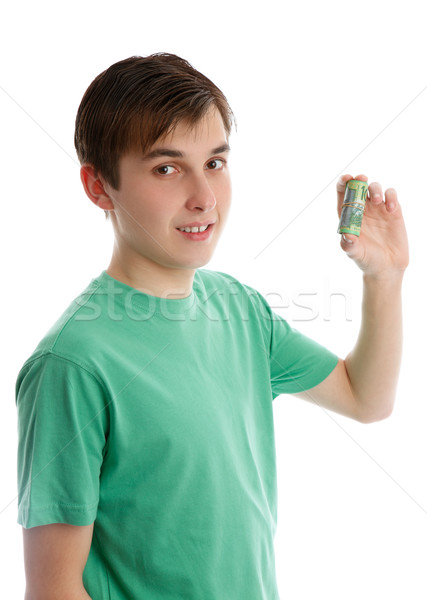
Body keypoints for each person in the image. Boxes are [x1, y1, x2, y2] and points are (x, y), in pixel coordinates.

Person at [16, 53, 409, 600]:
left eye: (216, 163)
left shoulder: (239, 309)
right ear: (99, 185)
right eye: (167, 168)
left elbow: (366, 398)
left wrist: (385, 277)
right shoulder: (72, 363)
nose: (204, 198)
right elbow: (55, 592)